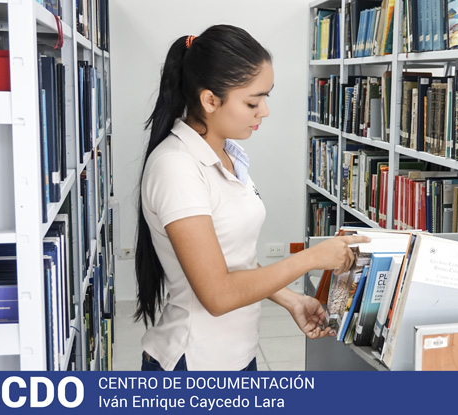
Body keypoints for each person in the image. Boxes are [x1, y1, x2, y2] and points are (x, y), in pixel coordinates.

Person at [134, 24, 368, 371]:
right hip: (196, 362)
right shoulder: (176, 168)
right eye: (252, 101)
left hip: (238, 355)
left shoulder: (228, 154)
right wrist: (311, 258)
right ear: (210, 100)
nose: (264, 111)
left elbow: (231, 258)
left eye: (265, 97)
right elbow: (218, 294)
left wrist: (291, 300)